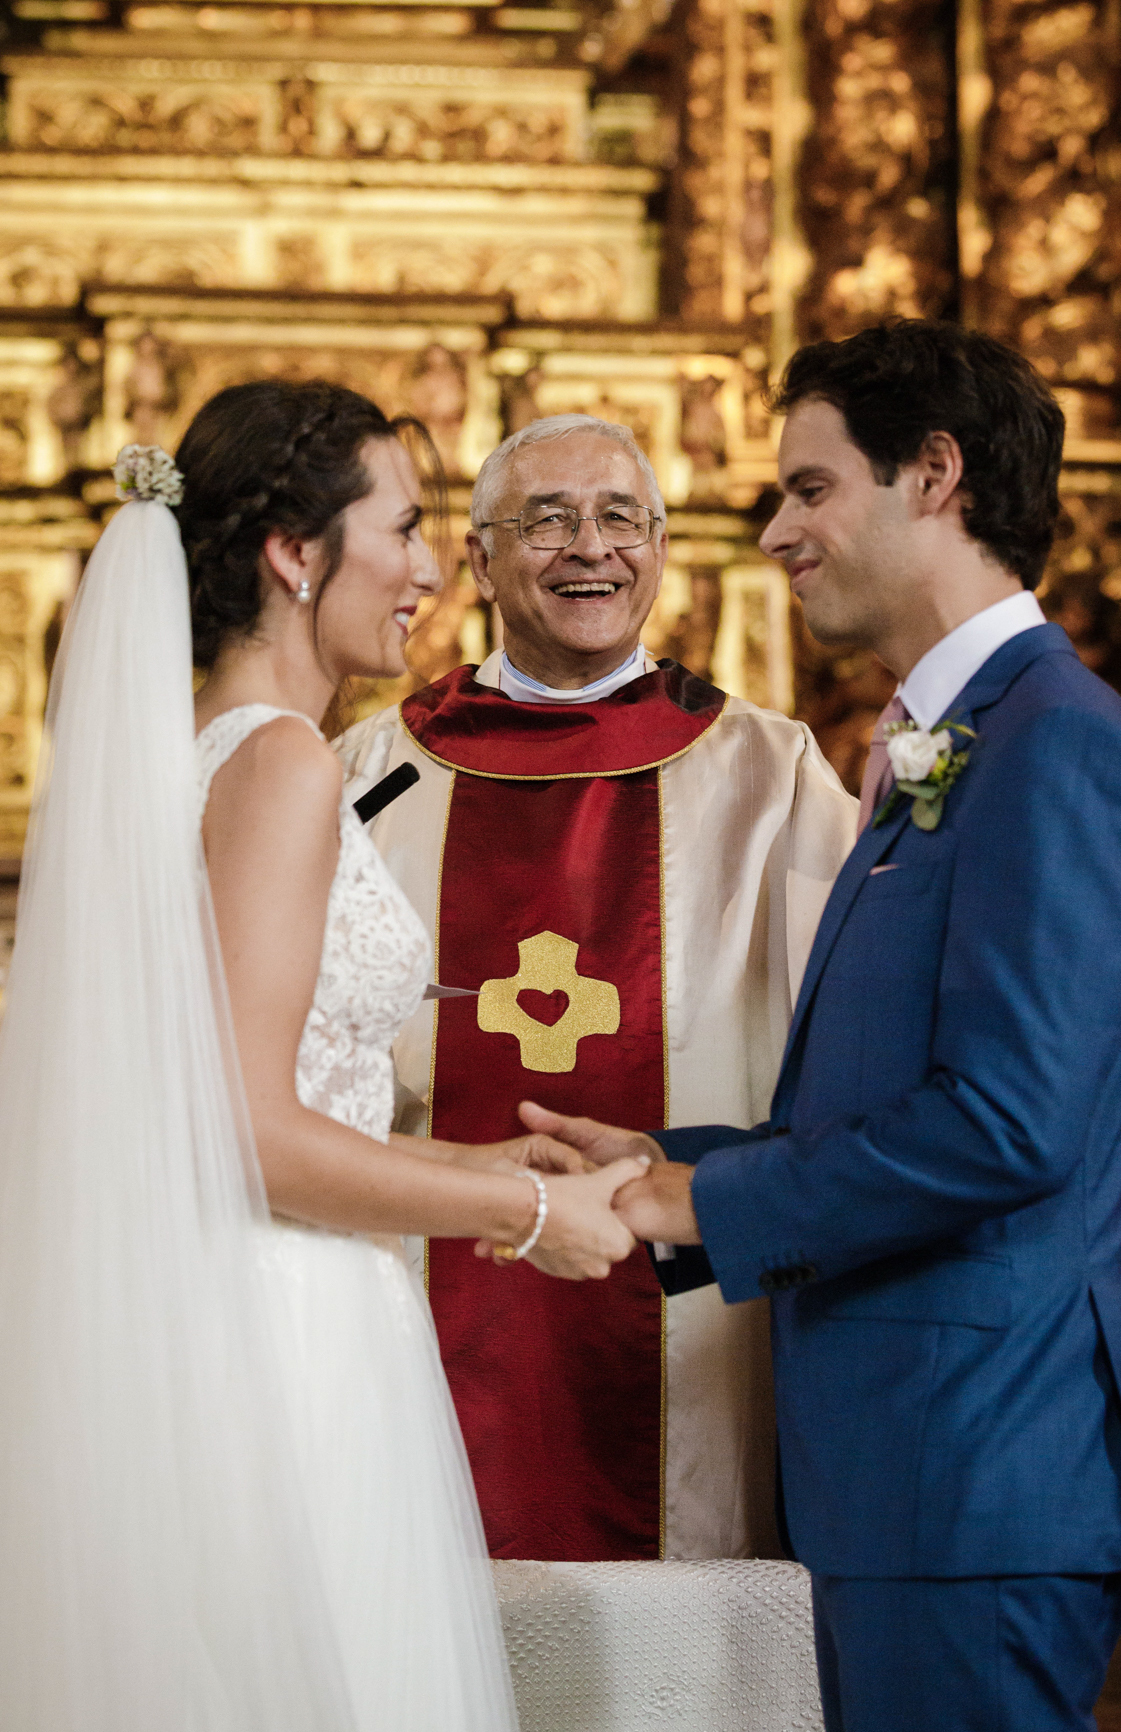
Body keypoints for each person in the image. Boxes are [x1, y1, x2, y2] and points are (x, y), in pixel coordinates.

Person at [524, 322, 1121, 1730]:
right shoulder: (954, 737)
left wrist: (704, 1201)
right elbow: (888, 1101)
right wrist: (665, 1163)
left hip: (981, 1468)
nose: (774, 532)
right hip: (912, 1472)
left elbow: (1007, 1126)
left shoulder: (1053, 739)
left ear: (932, 475)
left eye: (809, 489)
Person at [0, 380, 649, 1732]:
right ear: (295, 553)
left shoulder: (192, 754)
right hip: (283, 1328)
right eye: (401, 529)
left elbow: (231, 1093)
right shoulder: (285, 764)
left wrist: (475, 1158)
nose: (427, 572)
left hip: (215, 1304)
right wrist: (524, 1214)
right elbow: (247, 1131)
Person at [339, 412, 857, 1563]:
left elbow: (854, 1047)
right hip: (420, 1291)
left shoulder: (771, 774)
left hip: (694, 1316)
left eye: (622, 518)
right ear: (479, 560)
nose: (592, 547)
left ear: (662, 549)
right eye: (548, 521)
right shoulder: (373, 773)